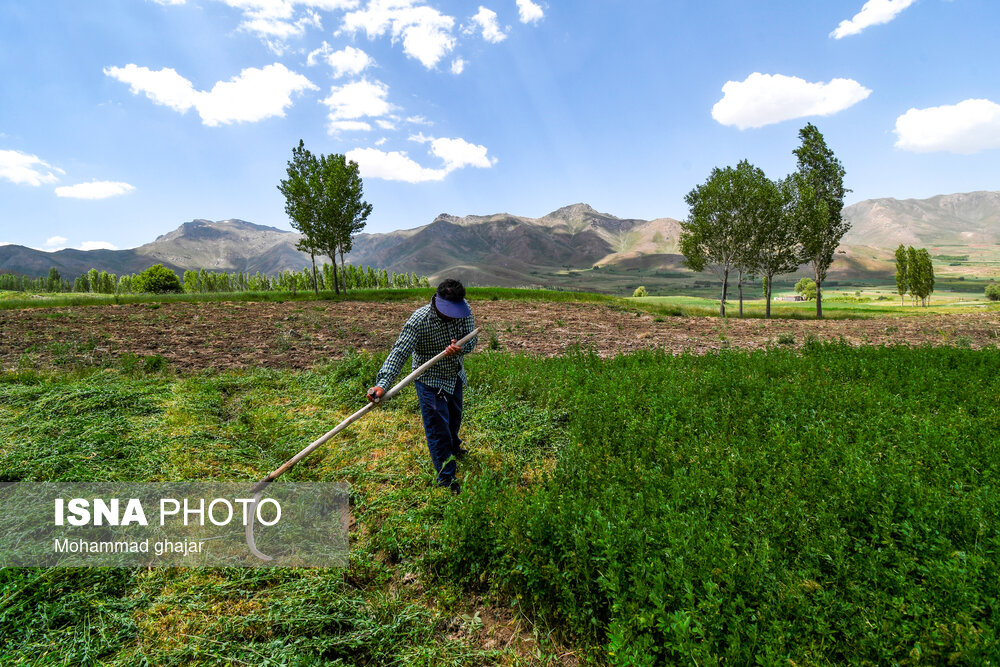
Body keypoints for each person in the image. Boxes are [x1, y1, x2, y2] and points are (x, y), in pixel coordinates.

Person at [367, 279, 477, 493]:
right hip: (428, 378)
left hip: (453, 375)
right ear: (437, 301)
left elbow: (472, 340)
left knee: (454, 419)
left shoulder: (464, 311)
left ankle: (454, 447)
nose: (453, 316)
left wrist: (461, 347)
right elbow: (399, 352)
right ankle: (447, 479)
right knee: (438, 429)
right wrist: (382, 384)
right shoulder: (420, 319)